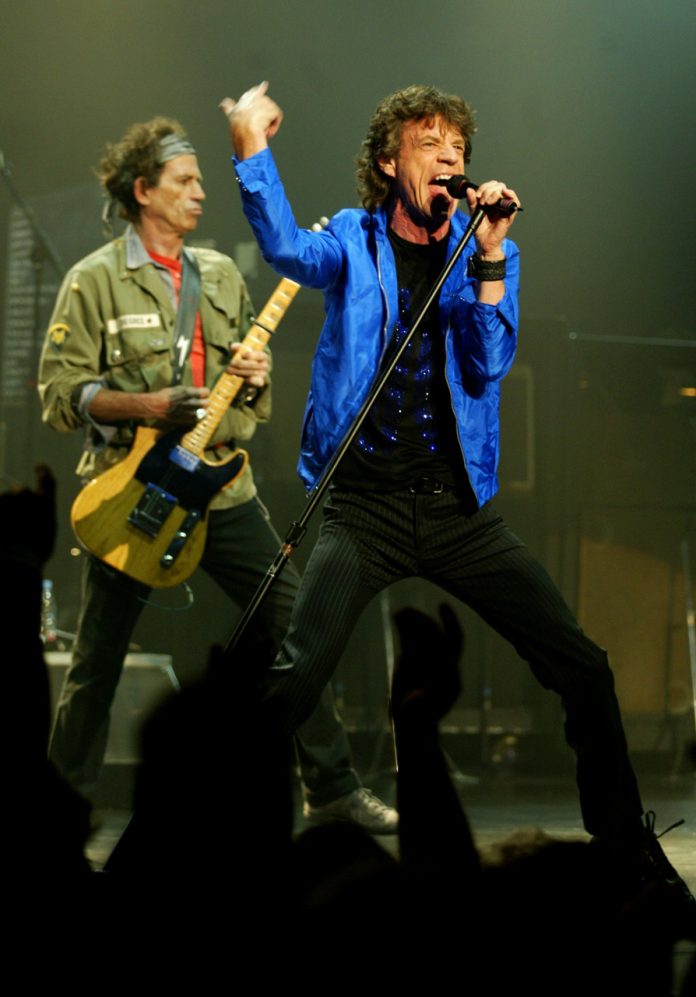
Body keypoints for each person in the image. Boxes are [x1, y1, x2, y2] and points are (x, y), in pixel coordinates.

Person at [220, 81, 696, 916]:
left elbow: (487, 364)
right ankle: (205, 851)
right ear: (387, 162)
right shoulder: (352, 237)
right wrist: (251, 146)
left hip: (455, 511)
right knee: (288, 684)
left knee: (581, 665)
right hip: (362, 508)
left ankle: (630, 854)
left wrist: (489, 258)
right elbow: (288, 252)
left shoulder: (482, 250)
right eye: (429, 143)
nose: (449, 159)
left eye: (458, 149)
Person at [37, 116, 397, 833]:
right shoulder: (94, 280)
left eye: (202, 178)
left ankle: (329, 785)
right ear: (144, 191)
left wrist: (256, 380)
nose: (201, 191)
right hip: (133, 491)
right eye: (185, 180)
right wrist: (147, 405)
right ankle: (58, 810)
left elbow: (245, 409)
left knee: (300, 624)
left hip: (224, 488)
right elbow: (59, 395)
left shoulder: (223, 275)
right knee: (97, 663)